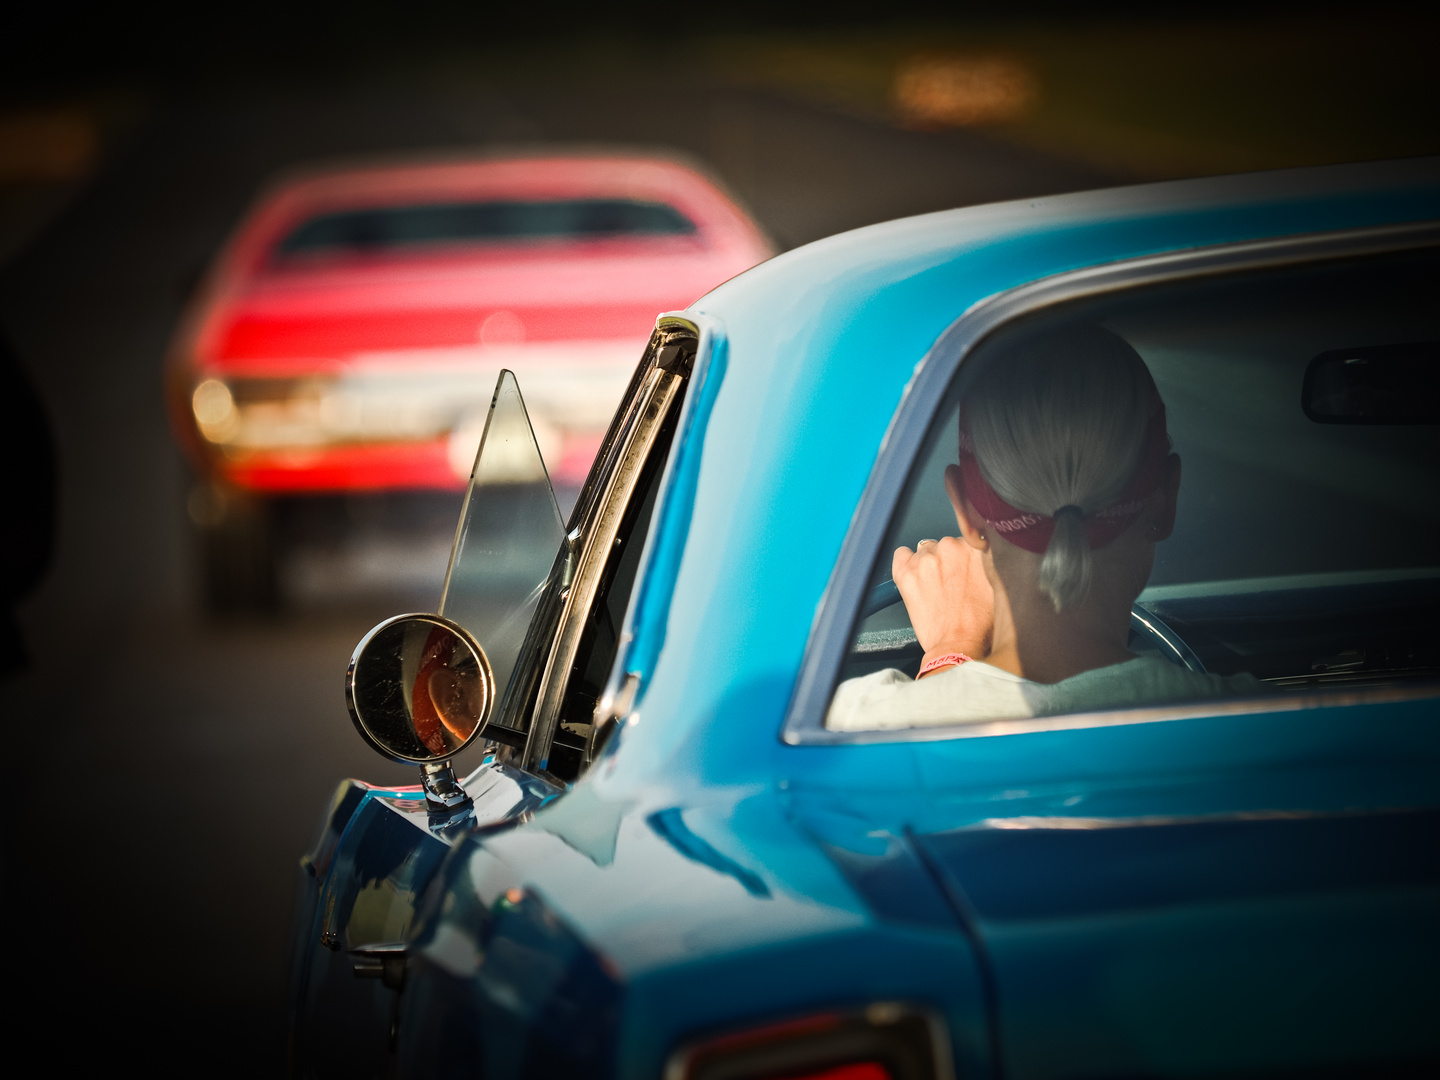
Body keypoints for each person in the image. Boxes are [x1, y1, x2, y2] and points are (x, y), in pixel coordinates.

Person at [827, 323, 1262, 731]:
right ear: (1165, 499)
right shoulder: (1268, 729)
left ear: (966, 509)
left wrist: (949, 653)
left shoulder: (850, 725)